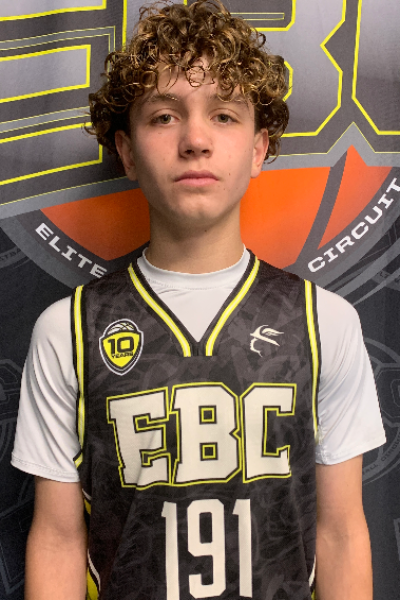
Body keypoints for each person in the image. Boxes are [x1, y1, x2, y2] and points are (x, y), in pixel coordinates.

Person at [12, 1, 386, 599]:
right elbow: (58, 539)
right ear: (127, 151)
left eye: (224, 114)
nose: (195, 140)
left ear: (259, 148)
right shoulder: (70, 330)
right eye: (164, 116)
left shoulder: (324, 323)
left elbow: (340, 533)